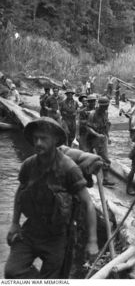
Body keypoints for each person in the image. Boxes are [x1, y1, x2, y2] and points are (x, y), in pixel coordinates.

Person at [4, 117, 98, 279]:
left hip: (57, 235)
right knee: (12, 272)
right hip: (31, 230)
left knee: (56, 276)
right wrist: (14, 223)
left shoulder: (69, 168)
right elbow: (20, 192)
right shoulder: (28, 165)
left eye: (44, 138)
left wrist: (92, 241)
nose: (38, 143)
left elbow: (88, 204)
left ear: (55, 140)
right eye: (35, 138)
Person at [86, 97, 115, 186]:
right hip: (93, 139)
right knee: (92, 159)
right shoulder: (92, 114)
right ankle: (88, 178)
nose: (106, 108)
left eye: (107, 106)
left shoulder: (105, 113)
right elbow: (88, 127)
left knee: (106, 159)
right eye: (105, 106)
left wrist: (108, 137)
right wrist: (97, 135)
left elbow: (106, 126)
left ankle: (105, 179)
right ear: (100, 106)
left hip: (102, 138)